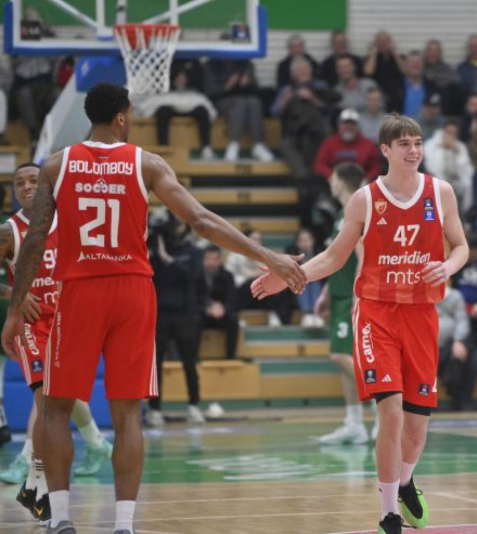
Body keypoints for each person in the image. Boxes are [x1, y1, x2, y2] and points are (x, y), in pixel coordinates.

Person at [0, 83, 306, 534]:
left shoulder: (56, 165)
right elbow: (201, 221)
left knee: (55, 410)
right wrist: (268, 256)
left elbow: (35, 239)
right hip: (132, 292)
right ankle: (124, 525)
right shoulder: (147, 163)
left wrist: (13, 308)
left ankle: (61, 518)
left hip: (79, 290)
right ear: (121, 117)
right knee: (127, 414)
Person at [251, 113, 468, 534]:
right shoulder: (365, 200)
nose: (413, 151)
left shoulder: (440, 192)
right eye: (404, 144)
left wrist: (448, 266)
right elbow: (333, 258)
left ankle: (405, 482)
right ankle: (388, 514)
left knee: (417, 428)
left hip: (422, 315)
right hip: (376, 313)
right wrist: (289, 276)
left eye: (417, 143)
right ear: (385, 150)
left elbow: (461, 246)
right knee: (391, 414)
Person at [0, 164, 113, 524]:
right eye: (19, 183)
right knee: (47, 404)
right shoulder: (10, 231)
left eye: (34, 180)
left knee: (58, 407)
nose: (26, 187)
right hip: (33, 326)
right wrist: (13, 295)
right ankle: (42, 487)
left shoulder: (73, 222)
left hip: (69, 324)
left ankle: (34, 482)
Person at [315, 163, 375, 445]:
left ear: (341, 181)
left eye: (333, 178)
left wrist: (357, 296)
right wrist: (326, 292)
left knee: (339, 356)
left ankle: (383, 399)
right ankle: (354, 423)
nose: (330, 182)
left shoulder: (357, 209)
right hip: (339, 294)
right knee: (344, 358)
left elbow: (364, 257)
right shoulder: (342, 214)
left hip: (352, 296)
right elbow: (338, 258)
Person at [148, 215, 206, 426]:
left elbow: (192, 275)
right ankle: (155, 409)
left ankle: (194, 405)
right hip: (161, 314)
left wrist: (168, 259)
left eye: (181, 225)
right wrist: (158, 250)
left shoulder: (193, 252)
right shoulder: (155, 252)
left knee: (189, 362)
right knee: (156, 364)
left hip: (185, 315)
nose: (176, 229)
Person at [138, 59, 216, 161]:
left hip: (190, 98)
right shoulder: (165, 62)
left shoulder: (195, 63)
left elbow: (199, 81)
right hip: (169, 98)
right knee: (163, 112)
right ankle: (164, 147)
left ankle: (206, 147)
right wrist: (175, 78)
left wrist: (186, 77)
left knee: (203, 111)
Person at [206, 58, 275, 163]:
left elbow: (256, 87)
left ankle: (258, 144)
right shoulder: (211, 65)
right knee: (239, 103)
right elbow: (209, 91)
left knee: (255, 102)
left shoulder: (246, 63)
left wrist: (248, 82)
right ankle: (234, 143)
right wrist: (226, 86)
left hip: (245, 98)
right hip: (222, 100)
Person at [437, 283, 477, 412]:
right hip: (425, 344)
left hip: (451, 343)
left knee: (475, 355)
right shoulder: (419, 294)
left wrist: (458, 340)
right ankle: (424, 401)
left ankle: (463, 400)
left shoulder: (455, 296)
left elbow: (462, 320)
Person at [313, 108, 382, 181]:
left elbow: (375, 167)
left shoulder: (368, 144)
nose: (348, 127)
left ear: (358, 127)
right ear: (339, 126)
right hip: (335, 181)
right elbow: (319, 164)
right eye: (345, 124)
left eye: (352, 124)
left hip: (360, 181)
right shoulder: (329, 143)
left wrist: (366, 179)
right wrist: (331, 175)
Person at [423, 119, 474, 215]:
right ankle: (431, 217)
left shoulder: (460, 147)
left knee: (468, 184)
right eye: (448, 132)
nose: (451, 135)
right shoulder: (430, 144)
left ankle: (464, 215)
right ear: (443, 131)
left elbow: (467, 170)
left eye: (454, 133)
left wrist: (456, 151)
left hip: (456, 181)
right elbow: (431, 167)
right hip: (436, 179)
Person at [202, 246, 240, 360]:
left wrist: (222, 308)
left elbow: (232, 300)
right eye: (208, 259)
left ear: (220, 260)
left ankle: (230, 358)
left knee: (233, 320)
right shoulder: (196, 275)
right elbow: (194, 298)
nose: (211, 263)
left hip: (222, 314)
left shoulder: (228, 276)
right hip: (203, 313)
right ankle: (192, 359)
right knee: (190, 319)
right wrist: (208, 309)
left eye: (215, 259)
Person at [287, 228, 325, 327]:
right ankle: (306, 314)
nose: (305, 243)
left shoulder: (319, 250)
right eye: (302, 240)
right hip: (298, 281)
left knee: (314, 283)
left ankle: (316, 313)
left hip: (315, 280)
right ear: (297, 242)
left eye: (307, 240)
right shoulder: (292, 251)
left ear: (313, 241)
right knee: (303, 284)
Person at [364, 31, 406, 114]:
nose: (383, 44)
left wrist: (395, 53)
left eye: (385, 41)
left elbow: (406, 71)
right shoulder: (371, 58)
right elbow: (368, 72)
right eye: (380, 41)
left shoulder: (398, 57)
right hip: (378, 97)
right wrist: (373, 53)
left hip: (395, 96)